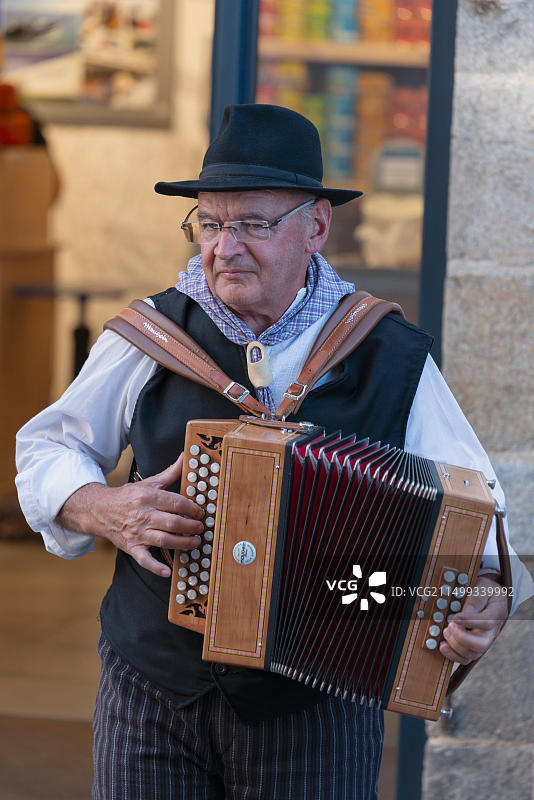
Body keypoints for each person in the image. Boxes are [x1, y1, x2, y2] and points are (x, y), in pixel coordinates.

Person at [15, 104, 534, 800]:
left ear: (317, 226)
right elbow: (48, 446)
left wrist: (486, 595)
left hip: (315, 706)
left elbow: (481, 513)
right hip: (153, 688)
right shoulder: (153, 334)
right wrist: (98, 504)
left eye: (253, 224)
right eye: (210, 223)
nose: (224, 247)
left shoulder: (386, 354)